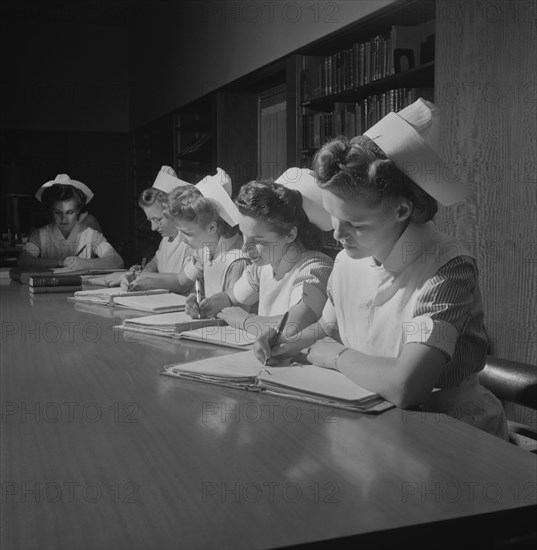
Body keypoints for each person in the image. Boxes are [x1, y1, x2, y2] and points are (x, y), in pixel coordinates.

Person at [254, 99, 508, 439]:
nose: (339, 234)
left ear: (402, 210)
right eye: (333, 217)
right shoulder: (348, 260)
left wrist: (336, 356)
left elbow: (408, 387)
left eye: (355, 223)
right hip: (373, 415)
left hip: (451, 426)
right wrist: (287, 342)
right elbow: (330, 325)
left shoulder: (448, 269)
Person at [205, 171, 334, 339]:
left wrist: (246, 321)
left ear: (290, 234)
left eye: (257, 240)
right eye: (243, 235)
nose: (245, 248)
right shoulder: (264, 266)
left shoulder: (315, 268)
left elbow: (295, 326)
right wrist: (207, 304)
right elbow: (231, 297)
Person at [167, 168, 250, 311]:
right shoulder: (205, 251)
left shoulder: (237, 261)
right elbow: (183, 281)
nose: (180, 239)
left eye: (187, 233)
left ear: (212, 228)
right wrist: (199, 301)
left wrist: (204, 311)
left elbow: (236, 316)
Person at [17, 175, 123, 271]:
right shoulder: (40, 235)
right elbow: (23, 260)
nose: (64, 219)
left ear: (78, 210)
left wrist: (86, 263)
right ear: (51, 210)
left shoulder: (91, 235)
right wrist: (59, 262)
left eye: (70, 212)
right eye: (58, 213)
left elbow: (117, 261)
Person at [117, 166, 194, 292]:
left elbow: (182, 281)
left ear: (173, 212)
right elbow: (155, 262)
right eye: (150, 221)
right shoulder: (166, 239)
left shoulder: (190, 241)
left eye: (158, 220)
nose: (153, 228)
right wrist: (145, 270)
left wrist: (143, 277)